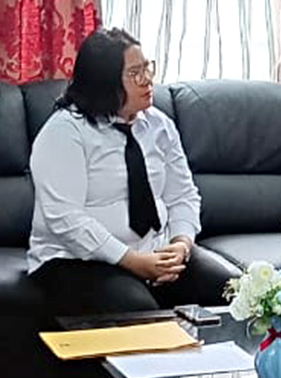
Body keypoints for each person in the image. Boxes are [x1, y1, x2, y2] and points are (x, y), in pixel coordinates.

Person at [28, 27, 203, 316]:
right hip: (78, 261)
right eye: (134, 73)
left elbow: (183, 195)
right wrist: (132, 261)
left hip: (155, 251)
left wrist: (181, 243)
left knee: (229, 289)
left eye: (147, 68)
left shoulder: (159, 125)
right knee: (139, 311)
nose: (147, 80)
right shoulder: (65, 131)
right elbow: (65, 219)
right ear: (104, 84)